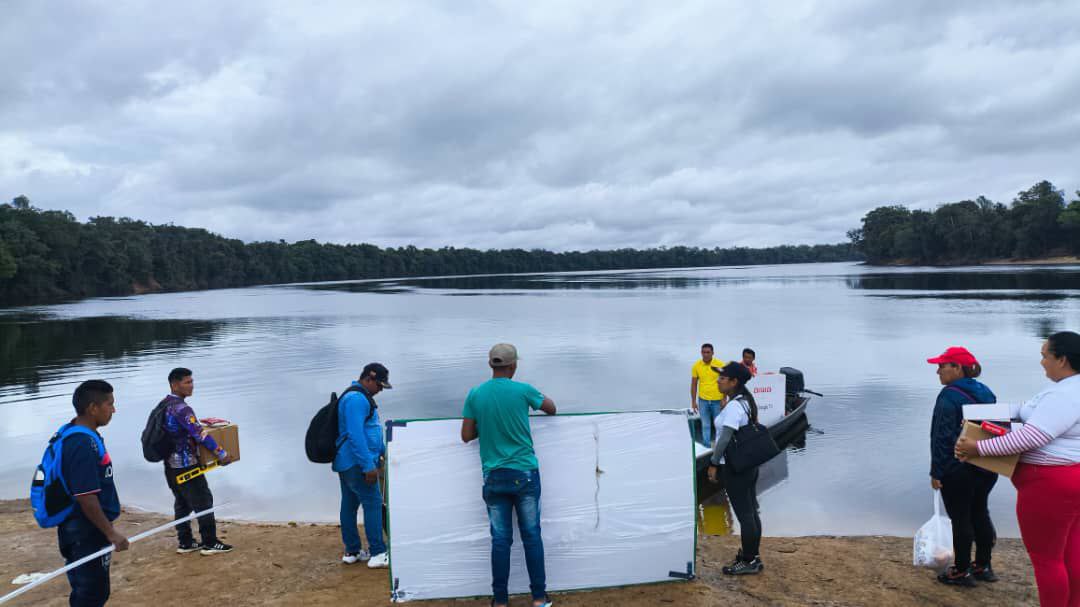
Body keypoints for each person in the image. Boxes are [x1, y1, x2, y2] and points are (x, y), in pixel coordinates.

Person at [956, 331, 1080, 606]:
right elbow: (1027, 410)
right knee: (1070, 552)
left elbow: (1033, 436)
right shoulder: (1066, 387)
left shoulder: (1066, 395)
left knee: (1047, 560)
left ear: (1062, 360)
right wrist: (983, 414)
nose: (1041, 362)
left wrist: (978, 449)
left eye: (1045, 356)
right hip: (1070, 479)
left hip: (1050, 485)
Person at [461, 343, 556, 607]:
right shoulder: (523, 390)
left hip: (493, 476)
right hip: (524, 474)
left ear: (491, 365)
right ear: (513, 366)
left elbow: (467, 435)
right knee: (531, 536)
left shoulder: (475, 394)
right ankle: (538, 598)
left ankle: (500, 601)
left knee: (501, 541)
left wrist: (488, 425)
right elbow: (552, 408)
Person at [926, 346, 998, 587]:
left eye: (942, 366)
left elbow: (942, 437)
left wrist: (936, 472)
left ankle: (961, 570)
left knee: (960, 518)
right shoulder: (986, 391)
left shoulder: (949, 395)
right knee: (980, 511)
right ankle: (983, 565)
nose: (938, 371)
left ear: (957, 368)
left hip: (958, 467)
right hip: (986, 464)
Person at [58, 380, 128, 606]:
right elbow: (85, 496)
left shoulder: (81, 433)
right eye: (110, 404)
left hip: (85, 529)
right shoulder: (81, 443)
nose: (114, 410)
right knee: (90, 595)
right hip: (84, 532)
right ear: (92, 408)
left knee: (94, 592)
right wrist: (111, 533)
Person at [162, 368, 234, 555]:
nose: (192, 385)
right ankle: (210, 543)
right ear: (175, 385)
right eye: (187, 382)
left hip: (170, 464)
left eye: (192, 381)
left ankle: (185, 542)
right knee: (203, 501)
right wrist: (222, 454)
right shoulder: (182, 409)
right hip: (186, 465)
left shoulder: (165, 404)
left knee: (182, 502)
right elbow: (200, 435)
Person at [705, 362, 764, 575]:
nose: (718, 381)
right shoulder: (746, 402)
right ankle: (753, 556)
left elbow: (724, 439)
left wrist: (713, 463)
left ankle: (749, 561)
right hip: (748, 465)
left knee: (745, 515)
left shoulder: (734, 407)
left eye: (722, 378)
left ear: (733, 382)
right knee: (751, 512)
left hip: (735, 467)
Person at [334, 362, 392, 568]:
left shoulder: (355, 396)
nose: (380, 391)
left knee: (349, 506)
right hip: (357, 464)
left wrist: (385, 452)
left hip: (346, 462)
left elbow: (369, 431)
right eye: (379, 386)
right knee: (373, 503)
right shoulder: (357, 400)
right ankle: (378, 553)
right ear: (369, 378)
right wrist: (368, 466)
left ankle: (353, 551)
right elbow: (356, 436)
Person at [691, 343, 727, 446]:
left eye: (708, 352)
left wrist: (724, 399)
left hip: (717, 400)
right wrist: (693, 402)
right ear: (701, 353)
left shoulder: (720, 365)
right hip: (703, 401)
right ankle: (706, 446)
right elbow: (693, 384)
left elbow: (725, 382)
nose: (705, 354)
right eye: (703, 352)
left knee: (718, 425)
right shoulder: (696, 366)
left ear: (712, 353)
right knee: (705, 425)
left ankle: (720, 447)